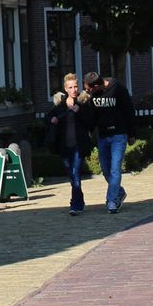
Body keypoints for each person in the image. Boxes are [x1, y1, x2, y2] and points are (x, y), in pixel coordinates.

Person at [84, 71, 135, 214]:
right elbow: (92, 116)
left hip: (119, 134)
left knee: (115, 168)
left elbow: (129, 110)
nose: (87, 91)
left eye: (89, 89)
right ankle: (119, 191)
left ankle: (112, 201)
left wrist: (131, 133)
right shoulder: (93, 96)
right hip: (103, 136)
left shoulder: (117, 88)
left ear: (96, 86)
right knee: (106, 170)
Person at [46, 73, 96, 215]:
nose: (74, 90)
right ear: (65, 88)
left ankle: (75, 205)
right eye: (71, 87)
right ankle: (79, 200)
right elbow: (48, 119)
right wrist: (53, 120)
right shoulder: (60, 106)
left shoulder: (83, 103)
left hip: (78, 146)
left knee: (75, 173)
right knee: (71, 175)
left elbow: (91, 123)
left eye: (75, 86)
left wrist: (79, 112)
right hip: (64, 146)